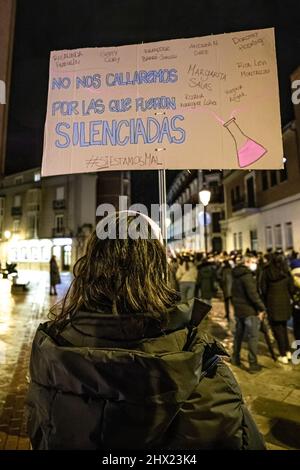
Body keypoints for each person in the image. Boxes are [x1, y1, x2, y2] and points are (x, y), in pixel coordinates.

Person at [26, 211, 265, 450]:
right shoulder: (201, 369)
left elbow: (40, 433)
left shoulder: (50, 351)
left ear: (90, 265)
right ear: (157, 268)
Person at [231, 255, 266, 373]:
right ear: (247, 262)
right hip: (249, 311)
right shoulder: (247, 276)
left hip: (239, 310)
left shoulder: (236, 274)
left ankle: (235, 357)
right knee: (253, 337)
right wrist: (261, 308)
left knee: (238, 335)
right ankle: (253, 364)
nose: (254, 264)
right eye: (253, 262)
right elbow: (253, 295)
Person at [261, 252, 294, 364]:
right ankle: (288, 351)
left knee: (277, 329)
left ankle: (283, 354)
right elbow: (292, 288)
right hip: (285, 303)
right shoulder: (286, 272)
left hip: (272, 303)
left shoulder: (267, 272)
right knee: (284, 328)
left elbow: (263, 289)